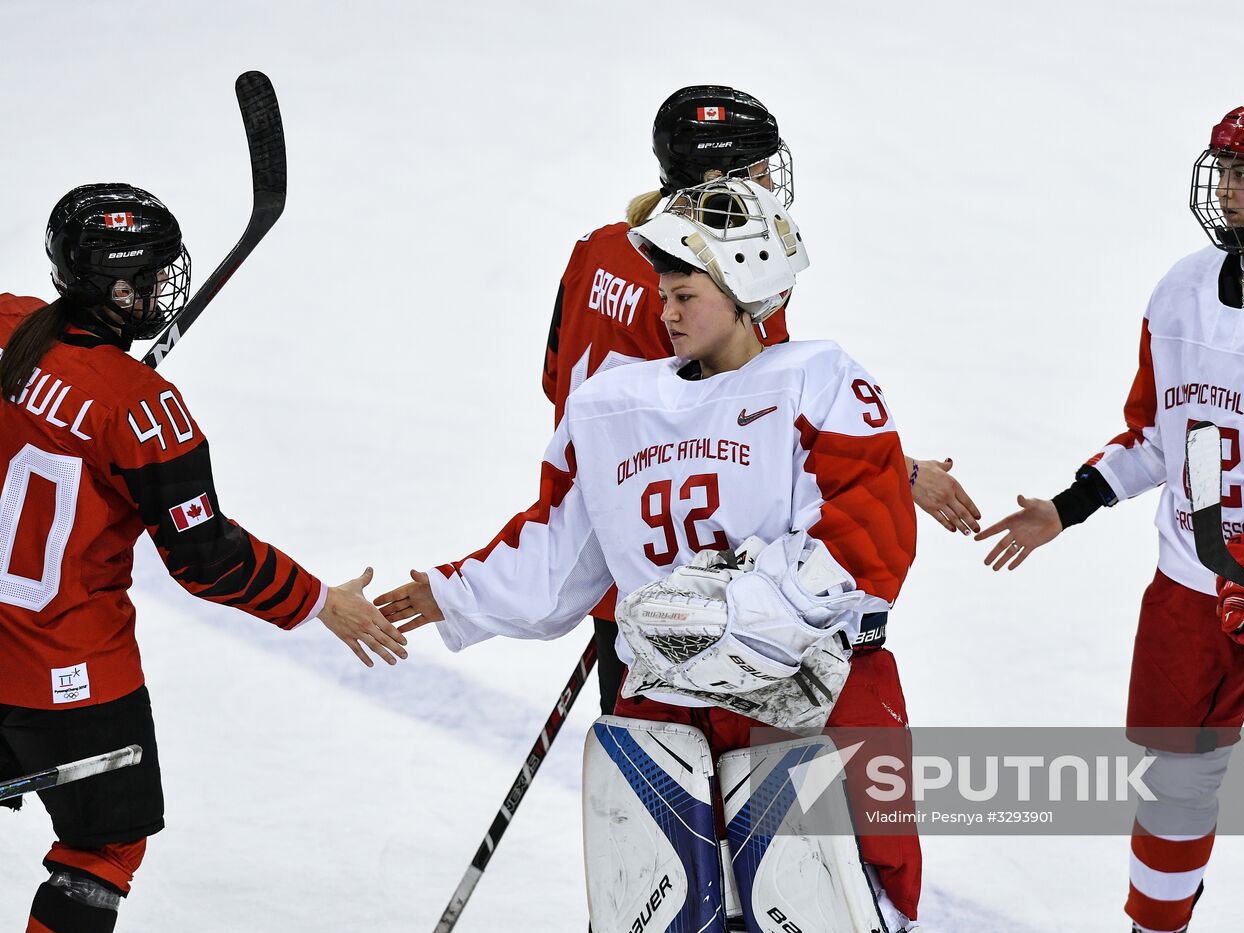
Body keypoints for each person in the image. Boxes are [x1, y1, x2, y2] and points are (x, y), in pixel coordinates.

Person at [380, 177, 923, 930]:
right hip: (669, 698)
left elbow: (872, 542)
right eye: (661, 292)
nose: (662, 311)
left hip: (815, 690)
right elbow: (566, 545)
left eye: (684, 294)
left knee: (846, 908)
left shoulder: (821, 379)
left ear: (746, 284)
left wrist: (738, 612)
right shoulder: (613, 404)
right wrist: (457, 591)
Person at [975, 104, 1244, 932]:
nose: (1231, 187)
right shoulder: (1178, 290)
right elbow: (1153, 436)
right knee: (1174, 777)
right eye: (1228, 169)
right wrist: (1065, 509)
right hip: (1188, 582)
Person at [0, 183, 405, 933]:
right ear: (117, 286)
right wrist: (320, 599)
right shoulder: (144, 409)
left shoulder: (9, 323)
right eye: (150, 275)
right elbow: (206, 557)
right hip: (69, 673)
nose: (163, 285)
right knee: (102, 847)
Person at [544, 84, 978, 718]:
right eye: (760, 166)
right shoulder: (714, 282)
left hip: (610, 540)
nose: (772, 181)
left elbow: (557, 377)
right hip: (692, 588)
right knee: (733, 793)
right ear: (717, 174)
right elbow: (759, 422)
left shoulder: (599, 248)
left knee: (648, 794)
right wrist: (900, 471)